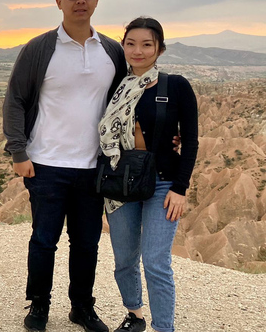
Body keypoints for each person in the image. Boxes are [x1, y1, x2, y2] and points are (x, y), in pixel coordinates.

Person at [3, 0, 127, 332]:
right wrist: (18, 153)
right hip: (46, 165)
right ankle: (38, 307)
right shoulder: (40, 48)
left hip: (93, 167)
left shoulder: (111, 51)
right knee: (44, 241)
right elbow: (15, 100)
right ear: (59, 1)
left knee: (87, 244)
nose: (80, 0)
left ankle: (81, 309)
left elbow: (127, 102)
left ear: (98, 0)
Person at [99, 17, 198, 332]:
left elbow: (191, 140)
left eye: (146, 44)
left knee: (156, 263)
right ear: (123, 46)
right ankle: (135, 316)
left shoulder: (176, 86)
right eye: (130, 43)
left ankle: (163, 328)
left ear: (160, 48)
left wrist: (180, 189)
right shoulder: (115, 86)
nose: (137, 51)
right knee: (125, 261)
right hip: (121, 183)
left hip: (162, 183)